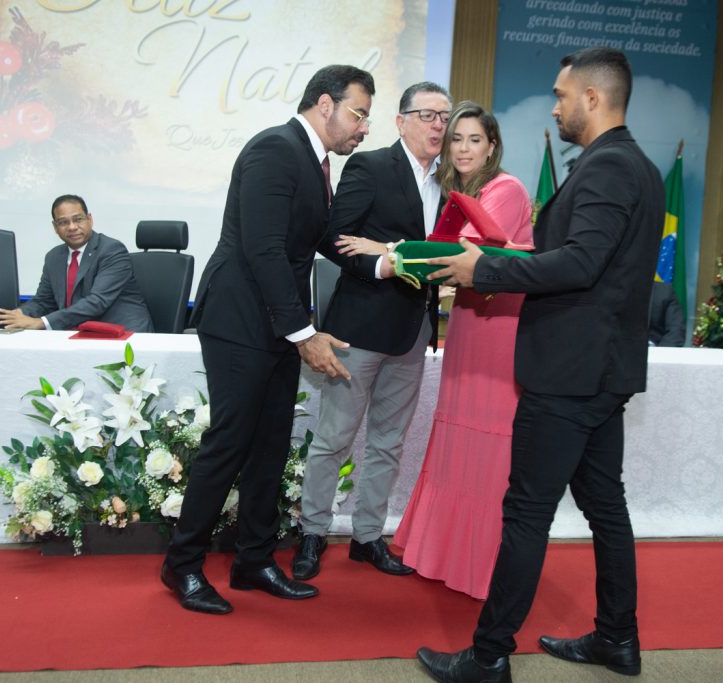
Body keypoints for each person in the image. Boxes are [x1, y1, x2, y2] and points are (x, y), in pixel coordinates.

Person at [415, 47, 665, 681]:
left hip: (569, 374)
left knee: (526, 512)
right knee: (605, 505)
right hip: (602, 372)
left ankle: (490, 654)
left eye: (560, 95)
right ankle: (618, 639)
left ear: (592, 98)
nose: (553, 106)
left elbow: (580, 263)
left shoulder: (609, 168)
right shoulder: (637, 164)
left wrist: (486, 267)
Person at [160, 65, 376, 615]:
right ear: (325, 104)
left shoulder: (312, 159)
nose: (364, 128)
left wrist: (385, 260)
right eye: (359, 113)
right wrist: (304, 332)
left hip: (274, 325)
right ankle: (181, 566)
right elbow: (263, 249)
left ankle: (253, 560)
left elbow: (319, 239)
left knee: (270, 445)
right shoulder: (275, 149)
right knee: (229, 443)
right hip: (238, 321)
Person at [291, 82, 452, 581]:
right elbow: (336, 240)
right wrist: (387, 262)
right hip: (358, 329)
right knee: (334, 439)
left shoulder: (448, 184)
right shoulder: (371, 166)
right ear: (401, 121)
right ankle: (313, 533)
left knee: (388, 443)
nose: (438, 126)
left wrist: (393, 249)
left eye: (444, 118)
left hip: (413, 330)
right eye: (427, 115)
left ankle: (367, 538)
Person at [392, 101, 533, 600]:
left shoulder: (506, 189)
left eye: (475, 139)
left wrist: (394, 253)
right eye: (456, 139)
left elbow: (464, 252)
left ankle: (480, 565)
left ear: (492, 145)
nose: (464, 148)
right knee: (455, 434)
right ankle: (440, 552)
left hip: (498, 332)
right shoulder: (461, 193)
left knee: (489, 441)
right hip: (470, 325)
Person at [0, 194, 153, 332]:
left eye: (78, 219)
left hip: (123, 337)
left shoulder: (112, 250)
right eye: (63, 222)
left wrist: (41, 323)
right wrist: (20, 314)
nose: (72, 227)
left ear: (89, 219)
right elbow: (44, 301)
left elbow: (97, 302)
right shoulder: (54, 257)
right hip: (78, 336)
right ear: (55, 227)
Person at [648, 282, 685, 347]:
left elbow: (676, 330)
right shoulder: (624, 291)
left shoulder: (664, 292)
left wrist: (660, 354)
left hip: (657, 350)